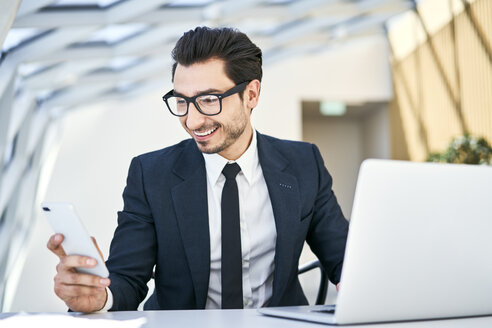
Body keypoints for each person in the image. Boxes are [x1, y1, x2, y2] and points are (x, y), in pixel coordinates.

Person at [47, 26, 349, 313]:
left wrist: (364, 283)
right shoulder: (151, 175)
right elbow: (127, 278)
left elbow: (344, 258)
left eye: (208, 100)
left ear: (252, 95)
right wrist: (98, 296)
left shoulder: (303, 163)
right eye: (182, 101)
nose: (192, 121)